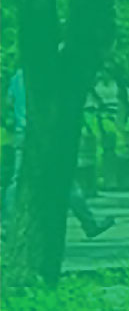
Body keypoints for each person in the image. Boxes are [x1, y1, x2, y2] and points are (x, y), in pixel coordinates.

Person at [2, 69, 115, 238]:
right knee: (65, 180)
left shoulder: (18, 75)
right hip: (46, 134)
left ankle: (7, 224)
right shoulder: (49, 73)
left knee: (17, 181)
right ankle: (89, 223)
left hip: (22, 133)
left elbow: (9, 102)